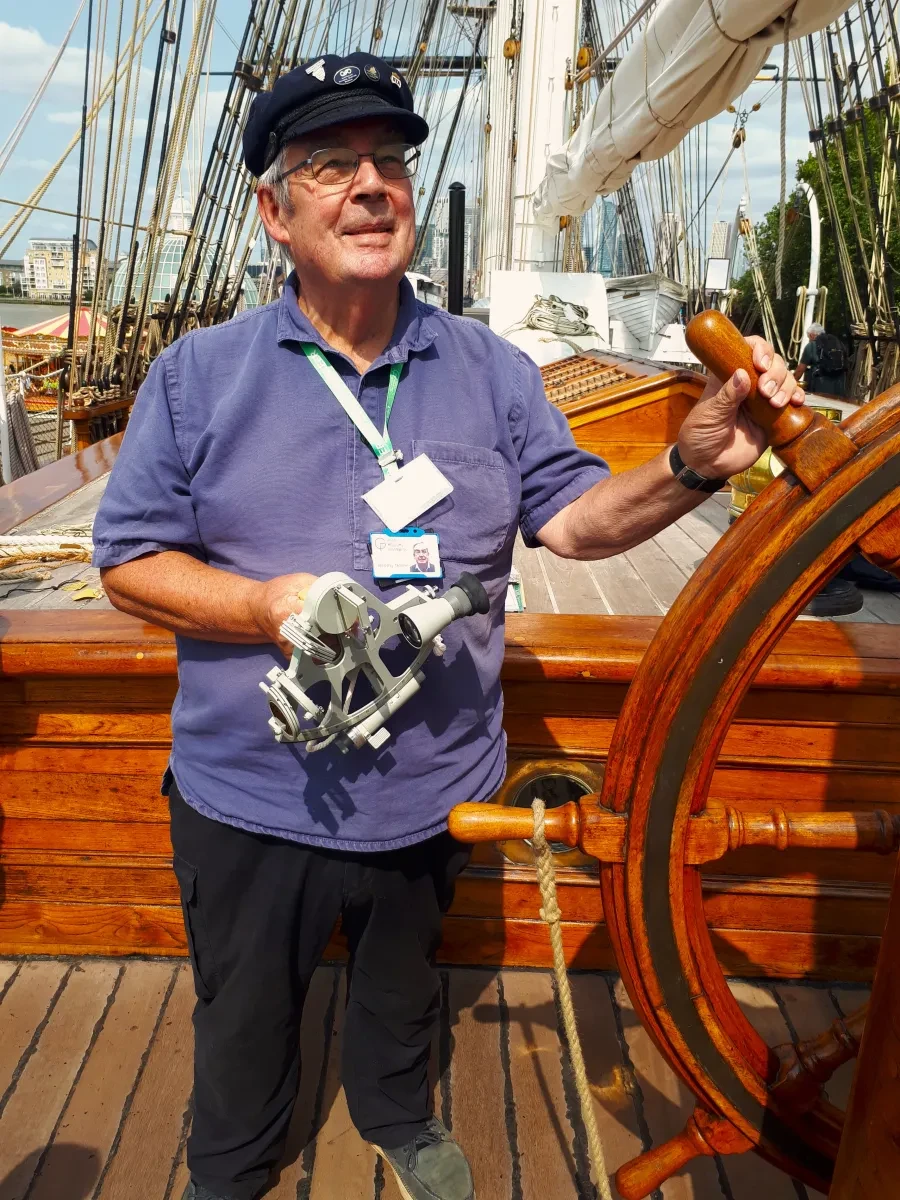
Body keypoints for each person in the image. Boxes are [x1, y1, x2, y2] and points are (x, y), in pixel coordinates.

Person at [92, 51, 803, 1200]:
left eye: (390, 161)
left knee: (401, 987)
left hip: (436, 788)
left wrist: (690, 463)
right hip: (250, 794)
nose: (371, 185)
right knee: (243, 1006)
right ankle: (229, 1164)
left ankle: (392, 1113)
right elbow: (126, 562)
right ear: (275, 212)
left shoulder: (492, 372)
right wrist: (268, 606)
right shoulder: (196, 378)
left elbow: (572, 523)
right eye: (330, 164)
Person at [796, 322, 848, 397]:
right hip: (839, 389)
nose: (809, 340)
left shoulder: (811, 345)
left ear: (811, 335)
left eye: (809, 337)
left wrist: (793, 381)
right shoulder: (839, 343)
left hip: (820, 390)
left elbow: (800, 369)